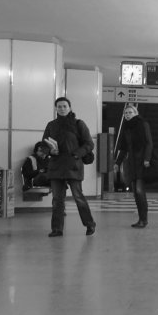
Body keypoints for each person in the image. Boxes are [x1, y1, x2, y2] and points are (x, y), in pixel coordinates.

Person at [42, 96, 97, 237]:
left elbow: (89, 144)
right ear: (56, 109)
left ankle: (90, 224)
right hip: (56, 166)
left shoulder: (79, 124)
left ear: (70, 108)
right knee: (57, 200)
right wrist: (49, 151)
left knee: (78, 196)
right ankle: (57, 229)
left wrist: (77, 154)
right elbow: (44, 144)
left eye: (64, 106)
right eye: (59, 106)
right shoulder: (51, 125)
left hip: (73, 165)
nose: (62, 109)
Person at [113, 103, 153, 228]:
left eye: (130, 112)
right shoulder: (126, 127)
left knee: (140, 192)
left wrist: (147, 159)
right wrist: (117, 163)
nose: (128, 115)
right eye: (126, 113)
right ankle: (141, 219)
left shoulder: (143, 124)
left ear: (136, 113)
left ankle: (143, 220)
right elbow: (123, 148)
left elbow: (149, 143)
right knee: (136, 193)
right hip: (132, 163)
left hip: (141, 162)